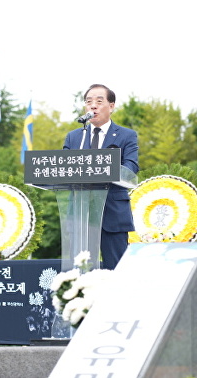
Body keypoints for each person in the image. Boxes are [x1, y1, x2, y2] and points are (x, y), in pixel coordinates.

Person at [63, 84, 139, 270]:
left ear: (111, 106)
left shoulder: (126, 135)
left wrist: (107, 168)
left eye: (99, 101)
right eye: (89, 102)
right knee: (80, 272)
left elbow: (131, 167)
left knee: (117, 270)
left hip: (112, 214)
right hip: (81, 215)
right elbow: (63, 168)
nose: (93, 106)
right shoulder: (74, 137)